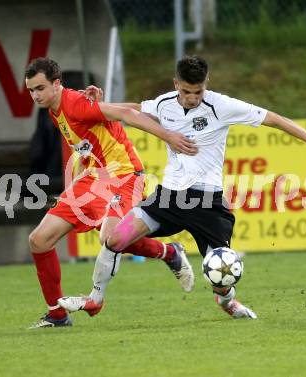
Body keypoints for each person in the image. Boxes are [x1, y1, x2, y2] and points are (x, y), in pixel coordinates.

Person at [59, 55, 306, 320]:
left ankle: (226, 301)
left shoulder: (221, 106)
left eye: (197, 92)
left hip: (207, 203)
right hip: (170, 197)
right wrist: (98, 104)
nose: (191, 98)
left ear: (206, 84)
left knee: (223, 274)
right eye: (186, 92)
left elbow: (275, 120)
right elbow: (135, 110)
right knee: (114, 238)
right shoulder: (164, 104)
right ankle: (95, 299)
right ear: (176, 84)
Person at [24, 57, 197, 328]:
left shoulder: (75, 104)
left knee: (112, 238)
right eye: (31, 90)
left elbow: (127, 114)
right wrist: (73, 189)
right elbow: (87, 146)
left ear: (57, 85)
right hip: (94, 178)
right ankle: (57, 314)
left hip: (125, 176)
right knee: (39, 240)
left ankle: (168, 253)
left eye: (40, 88)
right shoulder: (55, 110)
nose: (35, 95)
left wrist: (168, 136)